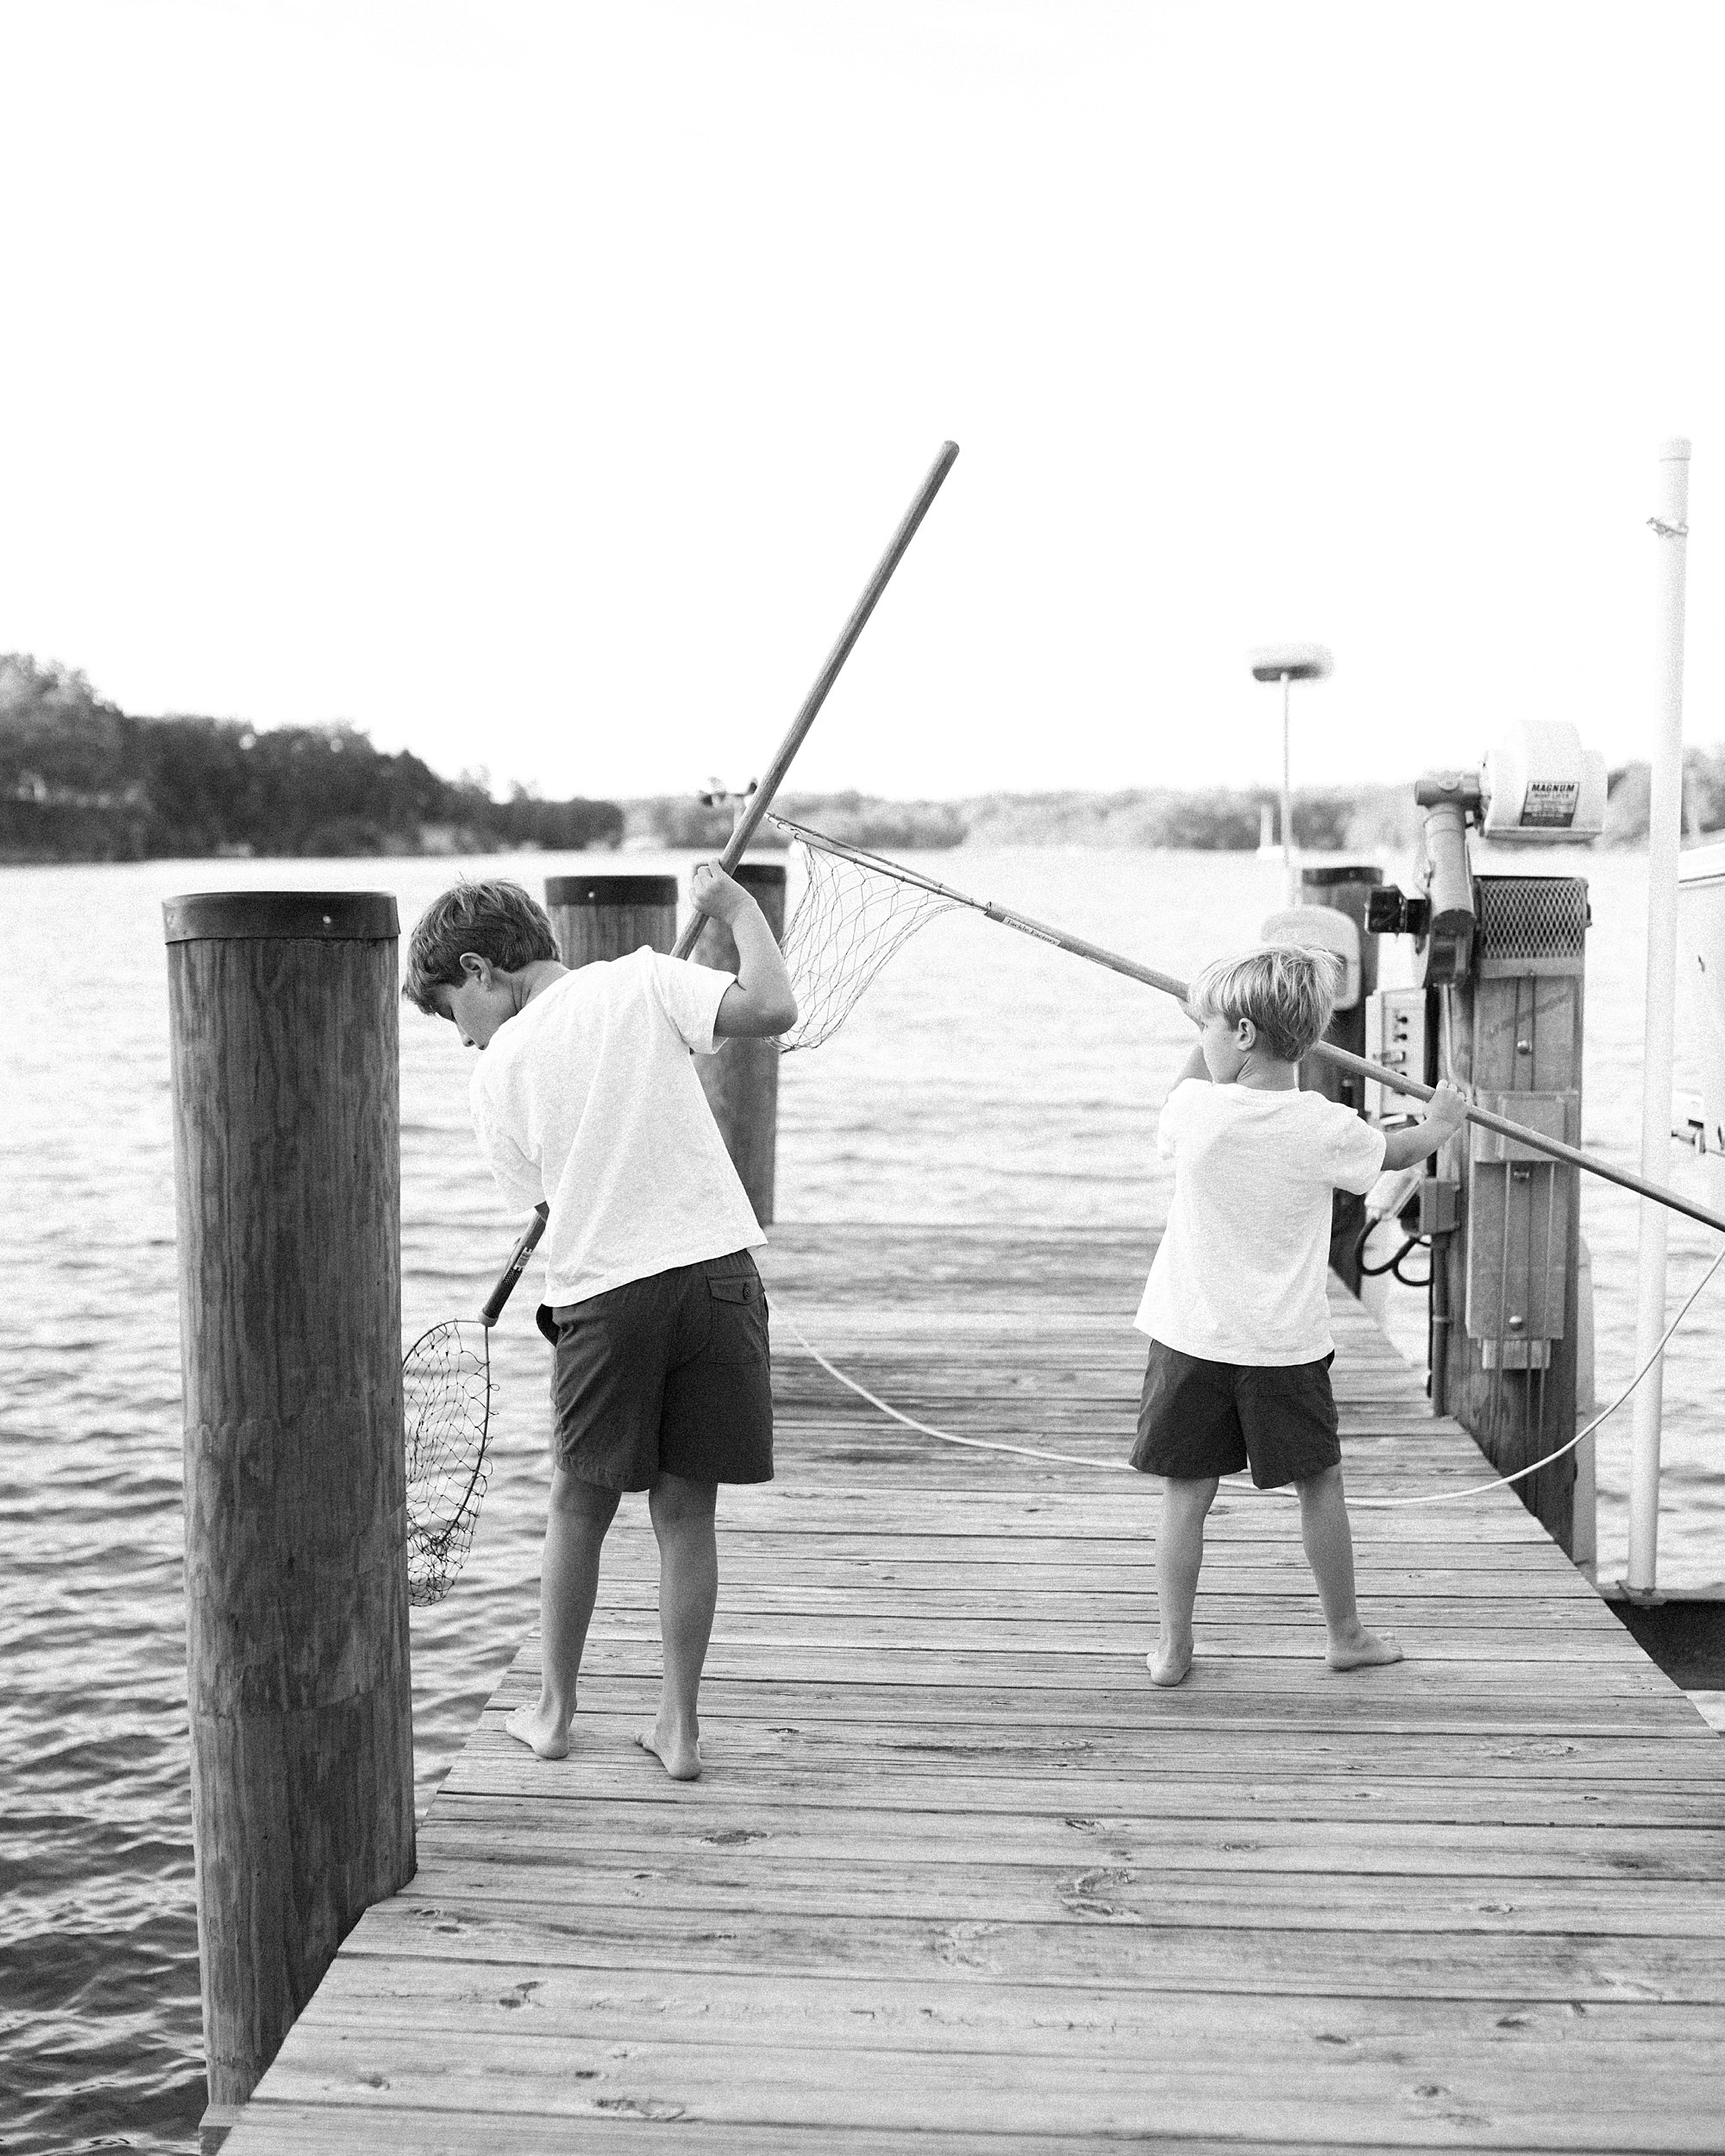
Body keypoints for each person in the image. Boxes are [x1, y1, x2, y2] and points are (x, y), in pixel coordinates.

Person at [403, 867, 797, 1778]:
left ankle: (551, 1714)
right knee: (685, 1513)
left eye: (447, 1010)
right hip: (716, 1280)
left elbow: (535, 1195)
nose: (456, 1034)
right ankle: (679, 1728)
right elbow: (771, 1008)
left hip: (606, 1297)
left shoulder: (496, 1070)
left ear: (479, 971)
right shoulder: (644, 977)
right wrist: (738, 911)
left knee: (577, 1510)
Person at [1132, 945, 1467, 1688]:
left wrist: (1199, 1038)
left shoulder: (1196, 1112)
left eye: (1211, 1026)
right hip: (1283, 1348)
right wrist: (1441, 1124)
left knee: (1187, 1493)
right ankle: (1344, 1633)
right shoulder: (1326, 1126)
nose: (1205, 1036)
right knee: (1319, 1484)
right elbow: (1396, 1149)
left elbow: (1180, 1098)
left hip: (1191, 1338)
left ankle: (1174, 1647)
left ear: (1243, 1035)